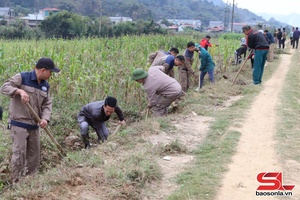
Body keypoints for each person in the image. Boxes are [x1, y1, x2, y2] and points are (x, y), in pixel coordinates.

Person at [0, 57, 60, 183]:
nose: (51, 75)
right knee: (19, 154)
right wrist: (19, 91)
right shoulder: (22, 77)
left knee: (34, 156)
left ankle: (30, 182)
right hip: (19, 124)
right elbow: (4, 87)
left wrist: (45, 119)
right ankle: (16, 183)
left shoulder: (45, 86)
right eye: (50, 72)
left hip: (34, 126)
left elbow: (47, 104)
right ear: (44, 70)